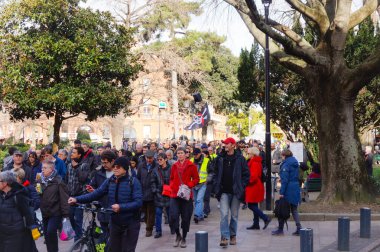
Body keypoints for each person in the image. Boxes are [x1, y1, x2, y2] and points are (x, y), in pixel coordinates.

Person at [68, 157, 143, 252]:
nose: (115, 168)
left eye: (118, 167)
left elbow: (138, 202)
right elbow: (96, 194)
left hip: (130, 223)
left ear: (125, 169)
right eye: (114, 166)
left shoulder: (133, 182)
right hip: (115, 222)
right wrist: (76, 199)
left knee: (127, 250)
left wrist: (121, 207)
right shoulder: (110, 181)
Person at [214, 137, 250, 248]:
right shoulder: (220, 158)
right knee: (224, 214)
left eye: (227, 144)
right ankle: (224, 237)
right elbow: (215, 172)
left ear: (233, 145)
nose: (224, 145)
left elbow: (246, 174)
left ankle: (233, 235)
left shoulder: (240, 159)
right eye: (224, 144)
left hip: (236, 192)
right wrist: (216, 186)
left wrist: (241, 186)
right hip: (223, 191)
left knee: (234, 215)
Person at [169, 147, 200, 248]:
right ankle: (178, 235)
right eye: (178, 153)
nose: (180, 155)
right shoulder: (174, 165)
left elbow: (196, 179)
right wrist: (173, 186)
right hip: (175, 194)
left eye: (182, 153)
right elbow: (171, 179)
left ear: (186, 154)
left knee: (186, 217)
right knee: (173, 216)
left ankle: (184, 238)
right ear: (176, 155)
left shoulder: (191, 165)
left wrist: (189, 185)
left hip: (186, 195)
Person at [0, 170, 38, 252]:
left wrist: (33, 228)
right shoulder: (1, 195)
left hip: (17, 233)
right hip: (3, 233)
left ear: (5, 183)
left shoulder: (18, 195)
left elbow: (27, 212)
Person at [86, 150, 117, 243]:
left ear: (113, 161)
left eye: (106, 162)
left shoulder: (119, 173)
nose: (104, 164)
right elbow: (94, 186)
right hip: (102, 210)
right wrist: (91, 189)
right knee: (103, 236)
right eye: (102, 162)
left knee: (114, 237)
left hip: (115, 210)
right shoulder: (98, 173)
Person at [38, 160, 70, 252]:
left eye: (45, 168)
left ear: (51, 169)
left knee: (51, 231)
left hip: (55, 212)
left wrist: (65, 214)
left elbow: (64, 198)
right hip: (45, 212)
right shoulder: (40, 179)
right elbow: (38, 194)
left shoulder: (58, 181)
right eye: (42, 168)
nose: (42, 170)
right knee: (47, 235)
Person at [272, 149, 302, 236]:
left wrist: (281, 192)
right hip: (295, 187)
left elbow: (285, 180)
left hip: (288, 188)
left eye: (282, 156)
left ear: (284, 155)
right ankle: (299, 227)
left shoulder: (286, 164)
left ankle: (280, 230)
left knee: (282, 208)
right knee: (294, 209)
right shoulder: (295, 162)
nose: (281, 157)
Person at [65, 146, 90, 242]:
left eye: (74, 152)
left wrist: (76, 167)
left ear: (79, 155)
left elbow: (83, 179)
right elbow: (67, 180)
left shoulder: (84, 165)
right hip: (70, 195)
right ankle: (78, 234)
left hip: (80, 195)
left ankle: (78, 240)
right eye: (71, 152)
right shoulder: (68, 165)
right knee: (71, 217)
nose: (72, 154)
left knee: (78, 218)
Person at [245, 147, 271, 230]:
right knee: (254, 204)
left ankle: (265, 218)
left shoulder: (254, 162)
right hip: (255, 185)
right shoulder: (255, 161)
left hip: (254, 186)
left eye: (249, 153)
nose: (247, 154)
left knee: (251, 205)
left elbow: (254, 176)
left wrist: (247, 181)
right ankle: (256, 224)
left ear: (253, 154)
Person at [137, 149, 158, 237]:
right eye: (147, 158)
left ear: (153, 158)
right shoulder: (141, 166)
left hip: (152, 192)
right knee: (144, 212)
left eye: (150, 158)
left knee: (151, 212)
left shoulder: (156, 166)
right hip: (142, 192)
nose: (149, 160)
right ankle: (149, 224)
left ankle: (149, 229)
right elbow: (138, 178)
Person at [151, 153, 172, 238]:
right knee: (158, 213)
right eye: (158, 160)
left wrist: (172, 190)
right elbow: (152, 182)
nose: (159, 161)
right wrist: (155, 191)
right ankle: (158, 231)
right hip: (158, 195)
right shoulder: (155, 170)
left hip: (169, 194)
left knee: (170, 213)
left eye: (161, 159)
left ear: (165, 159)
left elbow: (174, 180)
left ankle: (173, 227)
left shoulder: (171, 169)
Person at [190, 148, 210, 223]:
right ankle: (201, 215)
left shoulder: (206, 160)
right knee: (195, 201)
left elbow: (211, 172)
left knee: (199, 200)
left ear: (200, 153)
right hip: (194, 184)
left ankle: (196, 215)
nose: (195, 156)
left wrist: (207, 180)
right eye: (194, 154)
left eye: (196, 154)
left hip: (203, 183)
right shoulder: (191, 160)